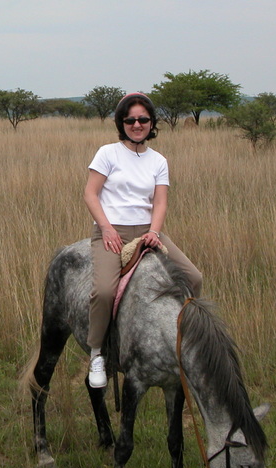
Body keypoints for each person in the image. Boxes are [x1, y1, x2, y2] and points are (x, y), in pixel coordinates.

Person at [84, 92, 203, 388]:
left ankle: (186, 342)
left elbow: (160, 202)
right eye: (130, 120)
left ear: (151, 123)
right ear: (121, 123)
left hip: (148, 231)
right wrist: (107, 228)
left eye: (143, 119)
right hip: (112, 231)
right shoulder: (107, 153)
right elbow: (90, 193)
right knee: (103, 291)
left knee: (193, 277)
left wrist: (154, 231)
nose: (137, 125)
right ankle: (97, 353)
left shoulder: (158, 160)